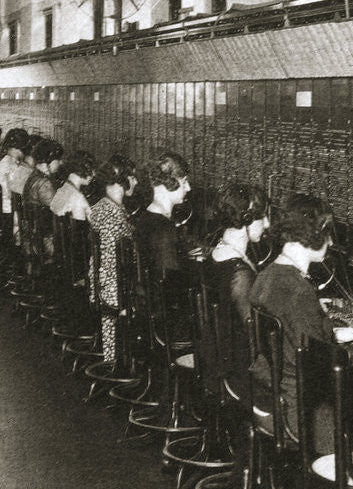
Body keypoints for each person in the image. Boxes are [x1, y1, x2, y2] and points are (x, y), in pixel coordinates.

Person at [248, 193, 353, 451]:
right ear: (314, 235)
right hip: (297, 412)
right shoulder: (299, 291)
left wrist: (337, 335)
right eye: (327, 233)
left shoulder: (267, 275)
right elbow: (324, 365)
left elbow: (293, 338)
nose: (329, 241)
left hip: (267, 399)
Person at [204, 182, 269, 390]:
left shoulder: (218, 254)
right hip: (239, 375)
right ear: (247, 217)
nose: (267, 224)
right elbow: (254, 336)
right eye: (262, 217)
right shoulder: (240, 274)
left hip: (217, 362)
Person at [87, 155, 138, 363]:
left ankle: (113, 360)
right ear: (119, 180)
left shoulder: (101, 207)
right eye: (132, 177)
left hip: (102, 287)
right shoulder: (114, 216)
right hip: (114, 291)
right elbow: (115, 263)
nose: (136, 182)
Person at [136, 151, 191, 279]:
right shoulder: (165, 229)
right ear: (170, 183)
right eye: (184, 182)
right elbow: (169, 279)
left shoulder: (145, 216)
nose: (188, 188)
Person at [50, 150, 96, 221]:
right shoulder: (78, 199)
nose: (94, 174)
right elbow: (80, 228)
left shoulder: (62, 189)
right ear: (82, 169)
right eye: (91, 169)